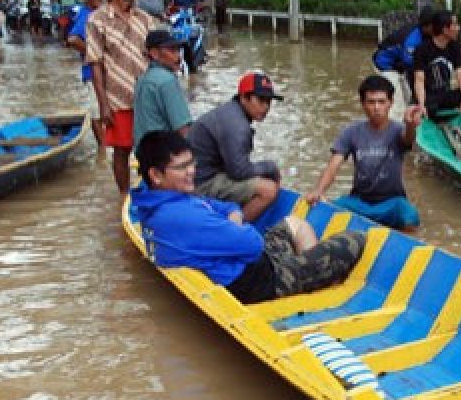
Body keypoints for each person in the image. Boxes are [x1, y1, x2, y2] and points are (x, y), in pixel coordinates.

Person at [133, 130, 366, 304]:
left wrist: (232, 219)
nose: (191, 171)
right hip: (259, 281)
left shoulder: (157, 202)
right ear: (156, 174)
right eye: (182, 167)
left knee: (293, 224)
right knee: (355, 240)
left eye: (192, 163)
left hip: (245, 264)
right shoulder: (184, 216)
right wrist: (234, 223)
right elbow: (253, 244)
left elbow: (226, 207)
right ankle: (306, 278)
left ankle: (308, 274)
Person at [305, 75, 423, 232]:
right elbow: (334, 165)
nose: (376, 107)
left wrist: (410, 125)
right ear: (362, 104)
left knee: (411, 217)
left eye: (381, 102)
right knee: (328, 209)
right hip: (359, 202)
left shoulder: (398, 130)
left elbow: (408, 140)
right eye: (371, 102)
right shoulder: (351, 131)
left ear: (390, 103)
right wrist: (319, 191)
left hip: (391, 203)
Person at [86, 0, 155, 196]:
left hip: (146, 97)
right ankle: (124, 197)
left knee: (151, 149)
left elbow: (157, 53)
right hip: (118, 99)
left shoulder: (144, 18)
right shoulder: (97, 20)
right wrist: (103, 104)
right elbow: (95, 64)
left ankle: (150, 193)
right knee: (122, 151)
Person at [188, 71, 286, 222]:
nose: (266, 106)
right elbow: (239, 171)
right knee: (268, 190)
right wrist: (270, 167)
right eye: (261, 100)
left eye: (269, 101)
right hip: (200, 184)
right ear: (244, 98)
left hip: (196, 177)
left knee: (259, 177)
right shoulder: (238, 125)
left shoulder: (230, 113)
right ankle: (232, 233)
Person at [133, 29, 192, 151]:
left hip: (144, 152)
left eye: (178, 50)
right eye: (172, 50)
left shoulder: (142, 79)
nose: (178, 56)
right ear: (154, 53)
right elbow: (183, 128)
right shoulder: (167, 81)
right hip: (164, 154)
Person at [373, 7, 434, 121]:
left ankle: (410, 125)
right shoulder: (412, 40)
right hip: (385, 66)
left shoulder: (427, 35)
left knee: (409, 99)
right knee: (397, 102)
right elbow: (413, 70)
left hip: (401, 66)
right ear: (427, 26)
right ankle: (394, 129)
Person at [67, 0, 105, 146]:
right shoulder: (86, 16)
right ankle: (103, 149)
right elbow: (73, 39)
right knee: (97, 112)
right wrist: (94, 55)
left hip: (102, 73)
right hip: (92, 73)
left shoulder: (97, 14)